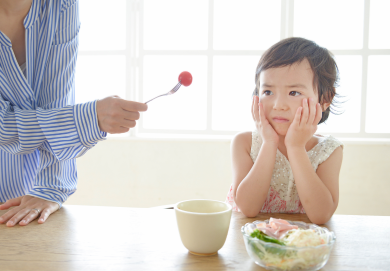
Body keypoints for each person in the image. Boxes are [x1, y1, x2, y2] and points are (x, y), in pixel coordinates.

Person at [0, 0, 147, 227]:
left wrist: (48, 188)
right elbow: (3, 126)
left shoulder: (61, 5)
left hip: (25, 206)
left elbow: (56, 102)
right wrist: (90, 117)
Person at [226, 37, 343, 224]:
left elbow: (321, 215)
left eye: (294, 93)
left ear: (325, 99)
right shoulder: (244, 143)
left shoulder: (328, 150)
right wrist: (269, 143)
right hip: (252, 243)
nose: (279, 105)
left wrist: (296, 147)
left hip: (303, 246)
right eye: (268, 92)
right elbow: (248, 208)